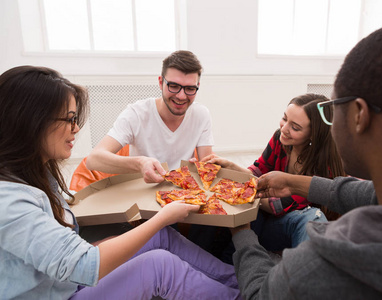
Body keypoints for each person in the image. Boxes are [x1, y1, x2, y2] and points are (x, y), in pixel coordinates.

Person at [230, 19, 382, 299]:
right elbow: (365, 193)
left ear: (360, 115)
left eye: (333, 109)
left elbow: (258, 294)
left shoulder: (325, 263)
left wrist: (240, 229)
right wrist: (292, 181)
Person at [0, 66, 241, 299]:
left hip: (62, 281)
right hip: (61, 291)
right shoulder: (11, 203)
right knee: (159, 266)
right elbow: (83, 265)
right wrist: (163, 216)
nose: (76, 128)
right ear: (31, 123)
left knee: (160, 236)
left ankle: (243, 282)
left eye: (190, 89)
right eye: (69, 119)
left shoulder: (35, 174)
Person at [201, 94, 345, 252]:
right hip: (264, 216)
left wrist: (237, 189)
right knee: (224, 202)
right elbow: (259, 171)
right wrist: (232, 167)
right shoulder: (280, 138)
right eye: (285, 118)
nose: (284, 129)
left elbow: (277, 206)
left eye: (295, 127)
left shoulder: (323, 167)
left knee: (310, 217)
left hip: (285, 224)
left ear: (313, 134)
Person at [86, 50, 213, 182]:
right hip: (142, 191)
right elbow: (93, 160)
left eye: (190, 89)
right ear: (160, 82)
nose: (181, 96)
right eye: (174, 86)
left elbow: (207, 170)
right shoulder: (136, 113)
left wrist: (200, 167)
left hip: (183, 191)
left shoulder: (201, 114)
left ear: (197, 86)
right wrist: (140, 163)